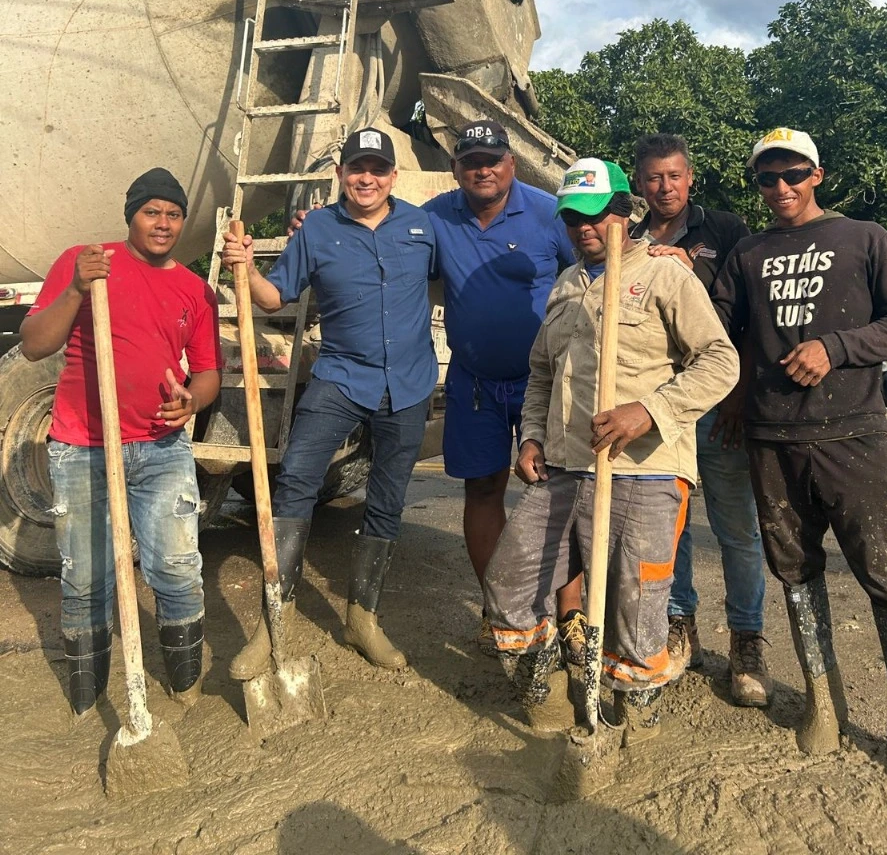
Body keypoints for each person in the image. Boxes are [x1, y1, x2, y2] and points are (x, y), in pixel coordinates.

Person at [712, 127, 887, 806]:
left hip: (855, 437)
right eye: (767, 178)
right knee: (795, 574)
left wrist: (837, 346)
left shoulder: (863, 238)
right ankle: (821, 698)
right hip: (770, 440)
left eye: (793, 174)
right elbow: (716, 328)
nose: (780, 188)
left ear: (818, 174)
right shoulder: (748, 253)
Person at [484, 158, 739, 733]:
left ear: (627, 212)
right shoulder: (567, 284)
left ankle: (630, 725)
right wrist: (531, 436)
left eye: (598, 215)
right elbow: (542, 374)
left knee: (635, 608)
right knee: (512, 580)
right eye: (573, 217)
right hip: (565, 467)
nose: (585, 228)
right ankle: (545, 701)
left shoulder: (666, 276)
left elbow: (721, 362)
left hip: (644, 471)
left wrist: (648, 411)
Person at [224, 128, 437, 675]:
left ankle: (362, 619)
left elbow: (460, 279)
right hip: (341, 377)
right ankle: (274, 623)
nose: (367, 178)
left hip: (409, 384)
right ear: (341, 174)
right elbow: (276, 295)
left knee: (387, 498)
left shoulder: (423, 226)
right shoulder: (316, 228)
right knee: (295, 479)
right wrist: (245, 269)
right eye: (356, 167)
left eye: (377, 168)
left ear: (392, 176)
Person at [20, 169, 221, 716]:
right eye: (151, 211)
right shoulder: (87, 262)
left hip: (161, 450)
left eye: (173, 214)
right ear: (130, 215)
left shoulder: (195, 289)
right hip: (83, 446)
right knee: (85, 579)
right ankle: (88, 701)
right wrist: (78, 289)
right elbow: (35, 345)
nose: (163, 223)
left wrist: (193, 401)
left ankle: (185, 689)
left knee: (178, 569)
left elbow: (207, 373)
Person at [421, 120, 584, 658]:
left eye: (493, 159)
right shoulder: (437, 217)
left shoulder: (546, 213)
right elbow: (383, 241)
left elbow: (597, 261)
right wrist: (322, 223)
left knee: (556, 492)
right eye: (471, 161)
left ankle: (570, 615)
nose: (483, 169)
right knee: (483, 490)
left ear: (511, 163)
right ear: (457, 169)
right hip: (475, 383)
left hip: (546, 381)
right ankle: (501, 610)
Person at [631, 133, 771, 706]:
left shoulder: (727, 231)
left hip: (718, 405)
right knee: (673, 525)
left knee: (736, 527)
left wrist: (739, 393)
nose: (664, 187)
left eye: (673, 176)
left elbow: (754, 315)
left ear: (690, 178)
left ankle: (747, 640)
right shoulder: (631, 237)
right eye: (653, 178)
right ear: (638, 183)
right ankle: (678, 623)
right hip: (659, 406)